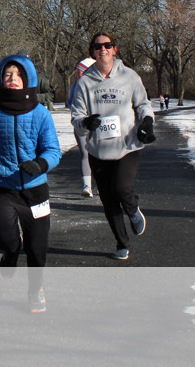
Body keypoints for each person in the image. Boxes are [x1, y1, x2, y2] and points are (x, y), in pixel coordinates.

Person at [0, 54, 62, 313]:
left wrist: (40, 164)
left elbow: (53, 149)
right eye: (8, 74)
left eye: (18, 75)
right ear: (0, 79)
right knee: (7, 239)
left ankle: (35, 290)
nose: (13, 79)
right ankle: (10, 252)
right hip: (3, 188)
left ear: (28, 79)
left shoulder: (41, 113)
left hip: (35, 189)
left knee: (37, 246)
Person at [70, 32, 156, 260]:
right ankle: (121, 243)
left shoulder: (130, 76)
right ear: (92, 52)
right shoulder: (84, 83)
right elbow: (77, 116)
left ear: (115, 49)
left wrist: (147, 122)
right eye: (98, 47)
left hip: (127, 145)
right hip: (98, 149)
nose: (103, 50)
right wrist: (85, 123)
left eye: (107, 45)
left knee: (122, 187)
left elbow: (143, 104)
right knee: (108, 200)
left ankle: (132, 209)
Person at [69, 57, 96, 197]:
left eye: (82, 70)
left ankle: (104, 184)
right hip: (81, 124)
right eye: (78, 71)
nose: (79, 73)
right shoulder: (75, 86)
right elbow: (70, 103)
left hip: (98, 124)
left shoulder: (99, 84)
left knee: (100, 154)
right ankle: (87, 186)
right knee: (85, 154)